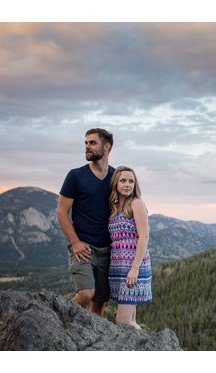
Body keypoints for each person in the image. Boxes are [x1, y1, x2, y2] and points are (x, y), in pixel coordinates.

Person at [56, 128, 115, 317]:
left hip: (108, 250)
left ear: (106, 147)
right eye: (86, 143)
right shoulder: (75, 175)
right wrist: (75, 243)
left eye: (92, 143)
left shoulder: (116, 177)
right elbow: (62, 212)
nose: (87, 147)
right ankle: (55, 324)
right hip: (83, 248)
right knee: (86, 293)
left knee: (99, 302)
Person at [106, 166, 151, 328]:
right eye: (123, 180)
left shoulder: (136, 203)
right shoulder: (114, 207)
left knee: (123, 321)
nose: (127, 184)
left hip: (133, 266)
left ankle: (149, 347)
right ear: (115, 184)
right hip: (119, 266)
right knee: (130, 321)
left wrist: (135, 268)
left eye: (131, 181)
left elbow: (144, 236)